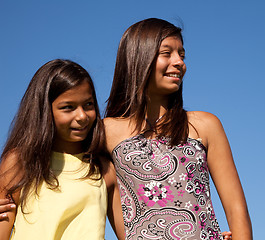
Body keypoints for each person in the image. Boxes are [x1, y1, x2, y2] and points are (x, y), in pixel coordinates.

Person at [104, 18, 252, 239]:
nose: (179, 62)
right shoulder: (106, 132)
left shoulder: (205, 125)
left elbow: (236, 209)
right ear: (139, 56)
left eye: (181, 55)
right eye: (167, 53)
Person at [0, 59, 124, 239]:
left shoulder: (104, 170)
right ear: (44, 111)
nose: (82, 116)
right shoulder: (20, 163)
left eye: (88, 104)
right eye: (68, 108)